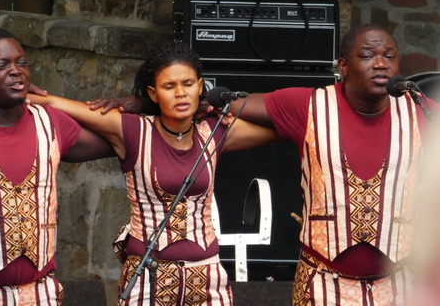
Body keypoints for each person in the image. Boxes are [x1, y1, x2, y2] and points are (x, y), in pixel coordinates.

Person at [91, 24, 437, 305]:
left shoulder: (423, 112)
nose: (381, 63)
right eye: (368, 55)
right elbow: (223, 106)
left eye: (389, 56)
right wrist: (146, 104)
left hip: (399, 286)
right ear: (342, 66)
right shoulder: (307, 105)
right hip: (324, 284)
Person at [25, 42, 279, 305]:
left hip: (208, 277)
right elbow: (53, 102)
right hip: (148, 276)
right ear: (153, 93)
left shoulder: (214, 132)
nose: (181, 93)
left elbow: (285, 123)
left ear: (201, 86)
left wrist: (226, 107)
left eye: (188, 84)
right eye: (169, 86)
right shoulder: (132, 130)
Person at [0, 27, 115, 305]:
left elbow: (127, 140)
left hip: (39, 294)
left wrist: (135, 104)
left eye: (21, 63)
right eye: (0, 65)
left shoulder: (49, 121)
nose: (16, 71)